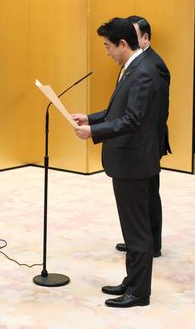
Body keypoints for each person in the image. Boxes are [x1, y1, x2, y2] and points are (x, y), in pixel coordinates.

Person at [72, 18, 161, 308]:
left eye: (108, 46)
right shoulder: (132, 67)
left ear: (123, 44)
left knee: (136, 230)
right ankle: (132, 280)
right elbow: (118, 109)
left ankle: (140, 292)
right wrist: (91, 118)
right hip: (127, 160)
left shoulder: (143, 71)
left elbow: (133, 119)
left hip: (134, 161)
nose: (107, 52)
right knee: (131, 227)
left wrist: (93, 132)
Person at [112, 16, 171, 258]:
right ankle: (139, 239)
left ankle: (151, 243)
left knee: (148, 193)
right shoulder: (134, 64)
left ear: (145, 39)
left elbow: (156, 110)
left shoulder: (153, 65)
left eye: (134, 36)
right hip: (135, 137)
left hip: (146, 139)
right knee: (141, 196)